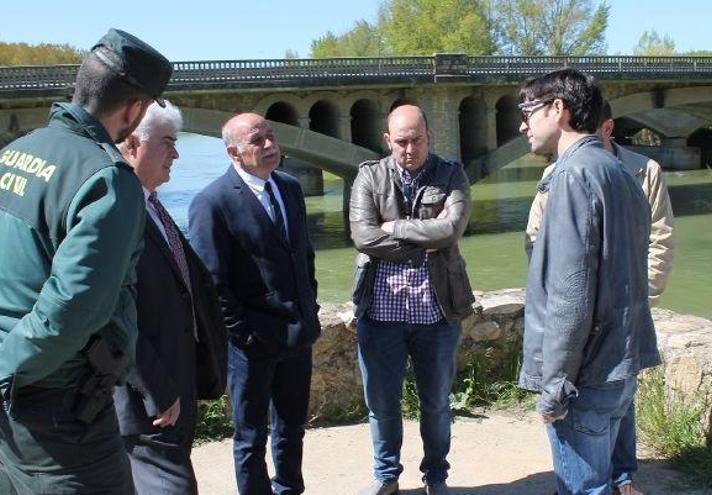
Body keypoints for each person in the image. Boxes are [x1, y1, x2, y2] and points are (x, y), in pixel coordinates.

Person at [0, 28, 171, 494]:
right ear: (135, 109)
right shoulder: (106, 178)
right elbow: (72, 309)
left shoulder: (15, 153)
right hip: (59, 411)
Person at [517, 69, 661, 495]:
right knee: (606, 484)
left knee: (584, 488)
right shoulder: (619, 172)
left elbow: (570, 295)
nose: (523, 124)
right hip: (621, 360)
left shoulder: (571, 176)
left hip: (587, 374)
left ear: (558, 109)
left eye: (528, 111)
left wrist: (556, 384)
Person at [188, 113, 320, 495]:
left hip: (297, 336)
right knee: (250, 436)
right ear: (233, 152)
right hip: (252, 345)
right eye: (257, 141)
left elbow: (303, 256)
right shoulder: (211, 203)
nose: (269, 146)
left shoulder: (290, 188)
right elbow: (212, 282)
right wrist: (243, 334)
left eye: (271, 137)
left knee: (292, 427)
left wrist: (308, 311)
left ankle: (289, 488)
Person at [349, 102, 475, 495]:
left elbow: (451, 230)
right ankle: (387, 475)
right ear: (388, 139)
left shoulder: (451, 174)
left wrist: (397, 227)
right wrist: (423, 243)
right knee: (381, 405)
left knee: (436, 405)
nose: (409, 149)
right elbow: (363, 237)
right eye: (401, 141)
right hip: (379, 312)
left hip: (436, 312)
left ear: (428, 136)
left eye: (416, 140)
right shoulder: (369, 177)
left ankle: (436, 476)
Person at [113, 101, 227, 495]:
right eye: (167, 143)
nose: (176, 153)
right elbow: (115, 314)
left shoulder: (151, 207)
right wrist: (155, 389)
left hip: (175, 391)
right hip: (148, 402)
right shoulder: (116, 212)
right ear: (131, 146)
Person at [598, 99, 675, 495]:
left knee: (625, 390)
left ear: (607, 128)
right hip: (585, 304)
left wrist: (647, 293)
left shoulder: (646, 171)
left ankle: (624, 475)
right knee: (584, 395)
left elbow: (661, 237)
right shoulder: (556, 172)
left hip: (630, 303)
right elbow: (537, 240)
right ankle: (586, 476)